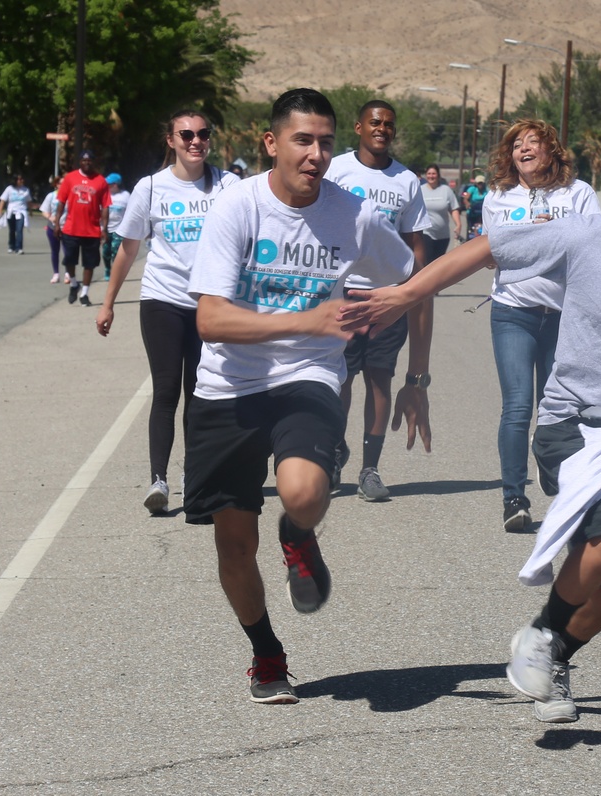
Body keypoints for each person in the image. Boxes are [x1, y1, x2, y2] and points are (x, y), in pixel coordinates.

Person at [337, 125, 601, 724]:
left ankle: (552, 653)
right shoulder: (585, 235)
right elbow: (486, 248)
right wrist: (404, 295)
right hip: (574, 422)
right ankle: (543, 634)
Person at [183, 88, 415, 703]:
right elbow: (210, 320)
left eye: (325, 143)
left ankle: (298, 534)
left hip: (308, 378)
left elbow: (406, 278)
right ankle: (266, 653)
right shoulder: (237, 208)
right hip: (226, 386)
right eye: (303, 141)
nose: (316, 154)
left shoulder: (355, 214)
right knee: (234, 543)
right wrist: (306, 320)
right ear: (272, 144)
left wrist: (387, 323)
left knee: (304, 492)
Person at [95, 112, 239, 515]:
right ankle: (158, 479)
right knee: (166, 392)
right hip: (162, 300)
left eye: (203, 133)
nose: (196, 141)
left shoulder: (228, 185)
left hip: (210, 305)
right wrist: (108, 302)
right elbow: (128, 248)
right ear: (171, 140)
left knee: (200, 393)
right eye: (187, 134)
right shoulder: (152, 187)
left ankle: (196, 479)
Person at [483, 120, 601, 532]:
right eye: (517, 144)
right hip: (512, 313)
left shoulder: (578, 194)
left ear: (552, 150)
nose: (525, 149)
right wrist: (541, 242)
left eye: (534, 142)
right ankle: (513, 496)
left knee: (558, 410)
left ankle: (563, 484)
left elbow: (593, 249)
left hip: (564, 318)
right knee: (517, 406)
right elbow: (493, 252)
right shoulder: (498, 197)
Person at [323, 100, 432, 501]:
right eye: (375, 122)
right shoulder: (336, 169)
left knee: (379, 379)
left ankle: (370, 469)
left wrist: (411, 293)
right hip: (344, 292)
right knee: (340, 379)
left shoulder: (406, 180)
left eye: (388, 124)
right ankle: (335, 453)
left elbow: (416, 245)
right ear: (359, 127)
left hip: (388, 296)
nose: (382, 128)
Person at [54, 148, 111, 306]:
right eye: (84, 160)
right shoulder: (70, 178)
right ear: (80, 161)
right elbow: (61, 202)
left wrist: (104, 229)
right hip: (71, 228)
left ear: (93, 162)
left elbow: (105, 206)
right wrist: (57, 223)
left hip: (91, 230)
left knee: (89, 263)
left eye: (90, 160)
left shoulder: (100, 181)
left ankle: (84, 293)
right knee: (69, 261)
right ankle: (73, 284)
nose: (87, 163)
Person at [421, 164, 461, 264]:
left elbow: (454, 209)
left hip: (443, 235)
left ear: (438, 175)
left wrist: (458, 224)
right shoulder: (420, 190)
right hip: (426, 233)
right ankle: (427, 280)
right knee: (428, 262)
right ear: (426, 175)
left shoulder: (446, 190)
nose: (431, 176)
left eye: (433, 173)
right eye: (429, 174)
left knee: (438, 263)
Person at [101, 173, 130, 282]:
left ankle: (115, 272)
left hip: (119, 229)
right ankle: (107, 268)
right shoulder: (104, 195)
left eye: (109, 184)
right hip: (106, 228)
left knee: (116, 251)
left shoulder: (126, 195)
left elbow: (130, 212)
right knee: (105, 252)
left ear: (115, 185)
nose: (106, 186)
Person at [39, 176, 68, 283]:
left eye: (65, 184)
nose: (63, 186)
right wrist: (50, 217)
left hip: (67, 227)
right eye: (60, 184)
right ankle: (56, 274)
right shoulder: (51, 196)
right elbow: (44, 210)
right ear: (56, 185)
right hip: (53, 227)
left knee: (68, 252)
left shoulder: (71, 196)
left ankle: (68, 273)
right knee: (55, 251)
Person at [0, 175, 34, 254]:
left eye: (22, 179)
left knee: (19, 230)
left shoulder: (26, 190)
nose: (22, 180)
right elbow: (3, 200)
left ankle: (19, 248)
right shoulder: (9, 189)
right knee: (12, 230)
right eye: (20, 179)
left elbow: (29, 201)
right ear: (15, 180)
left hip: (21, 212)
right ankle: (11, 246)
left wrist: (30, 211)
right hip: (11, 212)